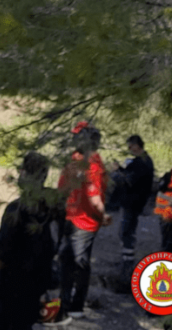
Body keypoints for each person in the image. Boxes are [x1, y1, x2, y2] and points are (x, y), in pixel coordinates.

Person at [0, 152, 70, 329]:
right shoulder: (56, 206)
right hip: (40, 281)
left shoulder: (17, 208)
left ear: (24, 174)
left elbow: (1, 251)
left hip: (12, 283)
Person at [57, 121, 112, 319]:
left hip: (85, 221)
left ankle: (76, 305)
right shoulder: (76, 159)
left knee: (78, 262)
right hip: (72, 217)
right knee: (67, 260)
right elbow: (63, 189)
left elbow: (94, 197)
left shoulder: (93, 164)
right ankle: (65, 302)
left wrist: (102, 215)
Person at [110, 135, 154, 279]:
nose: (129, 148)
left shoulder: (141, 163)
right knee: (127, 231)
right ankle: (126, 261)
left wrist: (116, 172)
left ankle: (127, 264)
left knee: (126, 232)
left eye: (131, 145)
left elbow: (129, 180)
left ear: (136, 145)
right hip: (135, 202)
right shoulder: (144, 161)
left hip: (133, 202)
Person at [155, 168, 172, 252]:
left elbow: (161, 187)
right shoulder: (168, 175)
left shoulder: (168, 175)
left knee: (167, 241)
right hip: (166, 213)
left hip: (167, 214)